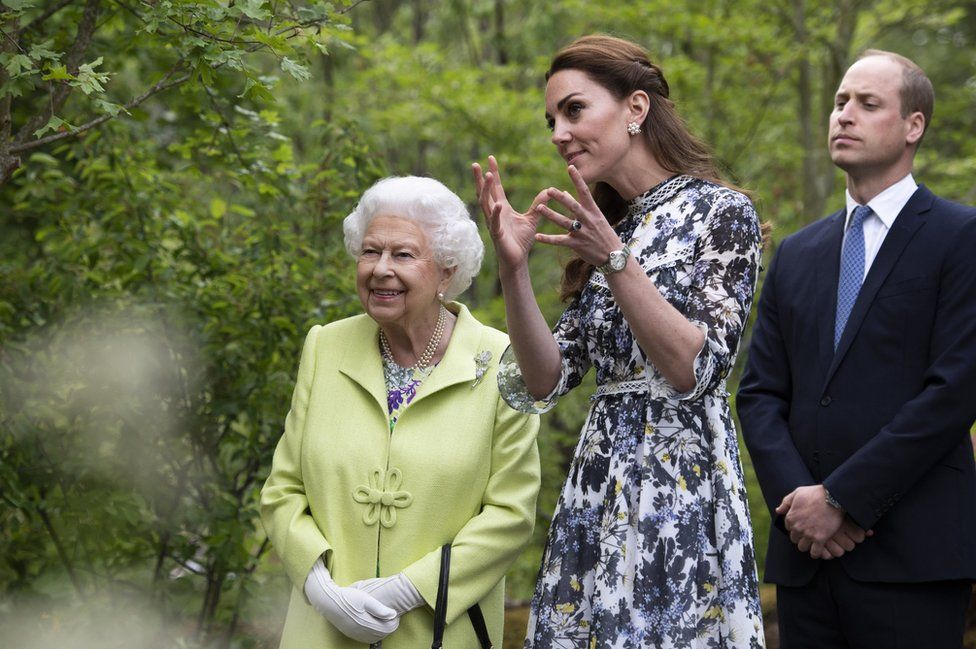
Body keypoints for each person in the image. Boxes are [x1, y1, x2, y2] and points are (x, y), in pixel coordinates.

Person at [473, 35, 765, 648]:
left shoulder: (721, 212)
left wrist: (615, 259)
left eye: (574, 110)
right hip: (597, 484)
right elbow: (542, 383)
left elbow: (697, 369)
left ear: (635, 109)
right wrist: (513, 268)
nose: (558, 132)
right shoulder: (604, 230)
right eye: (551, 119)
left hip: (679, 488)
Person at [737, 50, 976, 648]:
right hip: (805, 561)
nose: (845, 114)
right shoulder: (797, 252)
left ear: (913, 126)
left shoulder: (960, 236)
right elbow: (761, 393)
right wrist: (802, 509)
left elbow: (955, 391)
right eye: (841, 101)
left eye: (868, 104)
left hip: (912, 557)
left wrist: (843, 500)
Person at [260, 176, 541, 649]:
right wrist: (321, 589)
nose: (380, 270)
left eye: (403, 255)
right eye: (371, 252)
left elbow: (510, 514)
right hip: (323, 631)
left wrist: (407, 590)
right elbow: (282, 489)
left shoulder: (503, 361)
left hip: (437, 632)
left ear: (447, 272)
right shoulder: (324, 346)